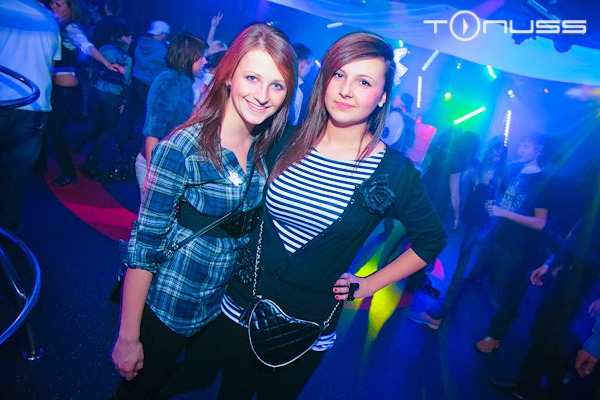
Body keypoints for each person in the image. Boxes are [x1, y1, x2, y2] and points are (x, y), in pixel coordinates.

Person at [216, 31, 446, 400]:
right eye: (339, 74)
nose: (346, 90)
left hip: (307, 322)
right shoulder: (284, 139)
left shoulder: (394, 171)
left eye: (364, 82)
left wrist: (369, 284)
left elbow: (431, 239)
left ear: (382, 96)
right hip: (242, 301)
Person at [109, 22, 296, 399]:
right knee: (139, 389)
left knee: (201, 374)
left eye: (277, 85)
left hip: (223, 300)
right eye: (252, 78)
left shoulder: (265, 144)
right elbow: (144, 247)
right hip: (176, 296)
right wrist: (128, 337)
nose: (263, 96)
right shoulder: (183, 147)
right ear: (228, 76)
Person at [44, 0, 124, 187]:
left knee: (54, 130)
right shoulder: (54, 22)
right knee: (49, 127)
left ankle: (68, 172)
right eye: (52, 3)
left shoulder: (71, 27)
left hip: (66, 87)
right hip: (58, 85)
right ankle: (40, 164)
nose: (54, 7)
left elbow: (86, 46)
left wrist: (106, 63)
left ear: (70, 8)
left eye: (59, 4)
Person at [0, 0, 61, 231]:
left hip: (3, 101)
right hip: (34, 109)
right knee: (15, 177)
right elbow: (52, 65)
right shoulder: (49, 21)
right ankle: (6, 237)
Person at [134, 32, 208, 193]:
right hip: (153, 164)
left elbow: (183, 119)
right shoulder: (168, 80)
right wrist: (153, 177)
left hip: (167, 164)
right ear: (190, 56)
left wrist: (202, 99)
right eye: (202, 56)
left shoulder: (184, 82)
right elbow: (152, 132)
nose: (205, 61)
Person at [289, 43, 315, 126]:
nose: (310, 69)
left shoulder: (299, 90)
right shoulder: (293, 90)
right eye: (310, 65)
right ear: (302, 64)